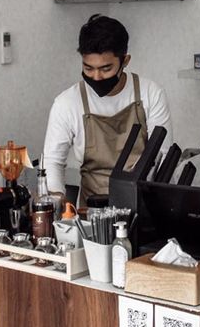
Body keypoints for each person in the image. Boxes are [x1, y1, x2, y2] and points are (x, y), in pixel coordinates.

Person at [43, 14, 172, 202]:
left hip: (142, 205)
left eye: (105, 69)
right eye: (88, 68)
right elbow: (53, 161)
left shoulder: (150, 94)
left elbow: (163, 156)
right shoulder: (67, 102)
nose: (96, 77)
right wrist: (56, 197)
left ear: (125, 61)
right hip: (91, 210)